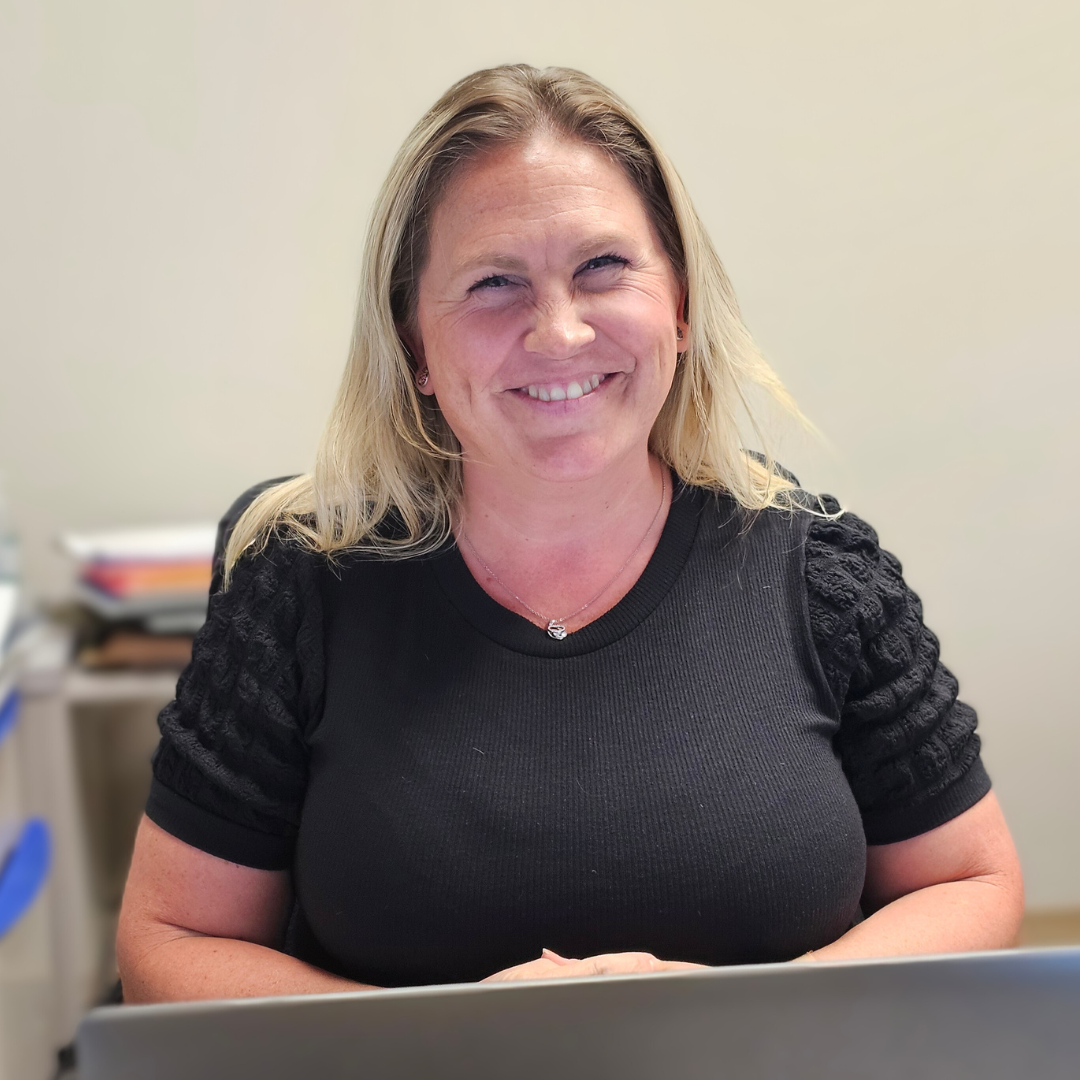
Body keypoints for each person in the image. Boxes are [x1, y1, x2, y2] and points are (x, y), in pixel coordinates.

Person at [117, 64, 1023, 1003]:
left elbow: (971, 883)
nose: (558, 334)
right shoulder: (300, 583)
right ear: (414, 347)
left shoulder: (823, 574)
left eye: (603, 268)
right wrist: (449, 1045)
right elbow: (172, 940)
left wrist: (733, 1015)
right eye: (495, 282)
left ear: (678, 305)